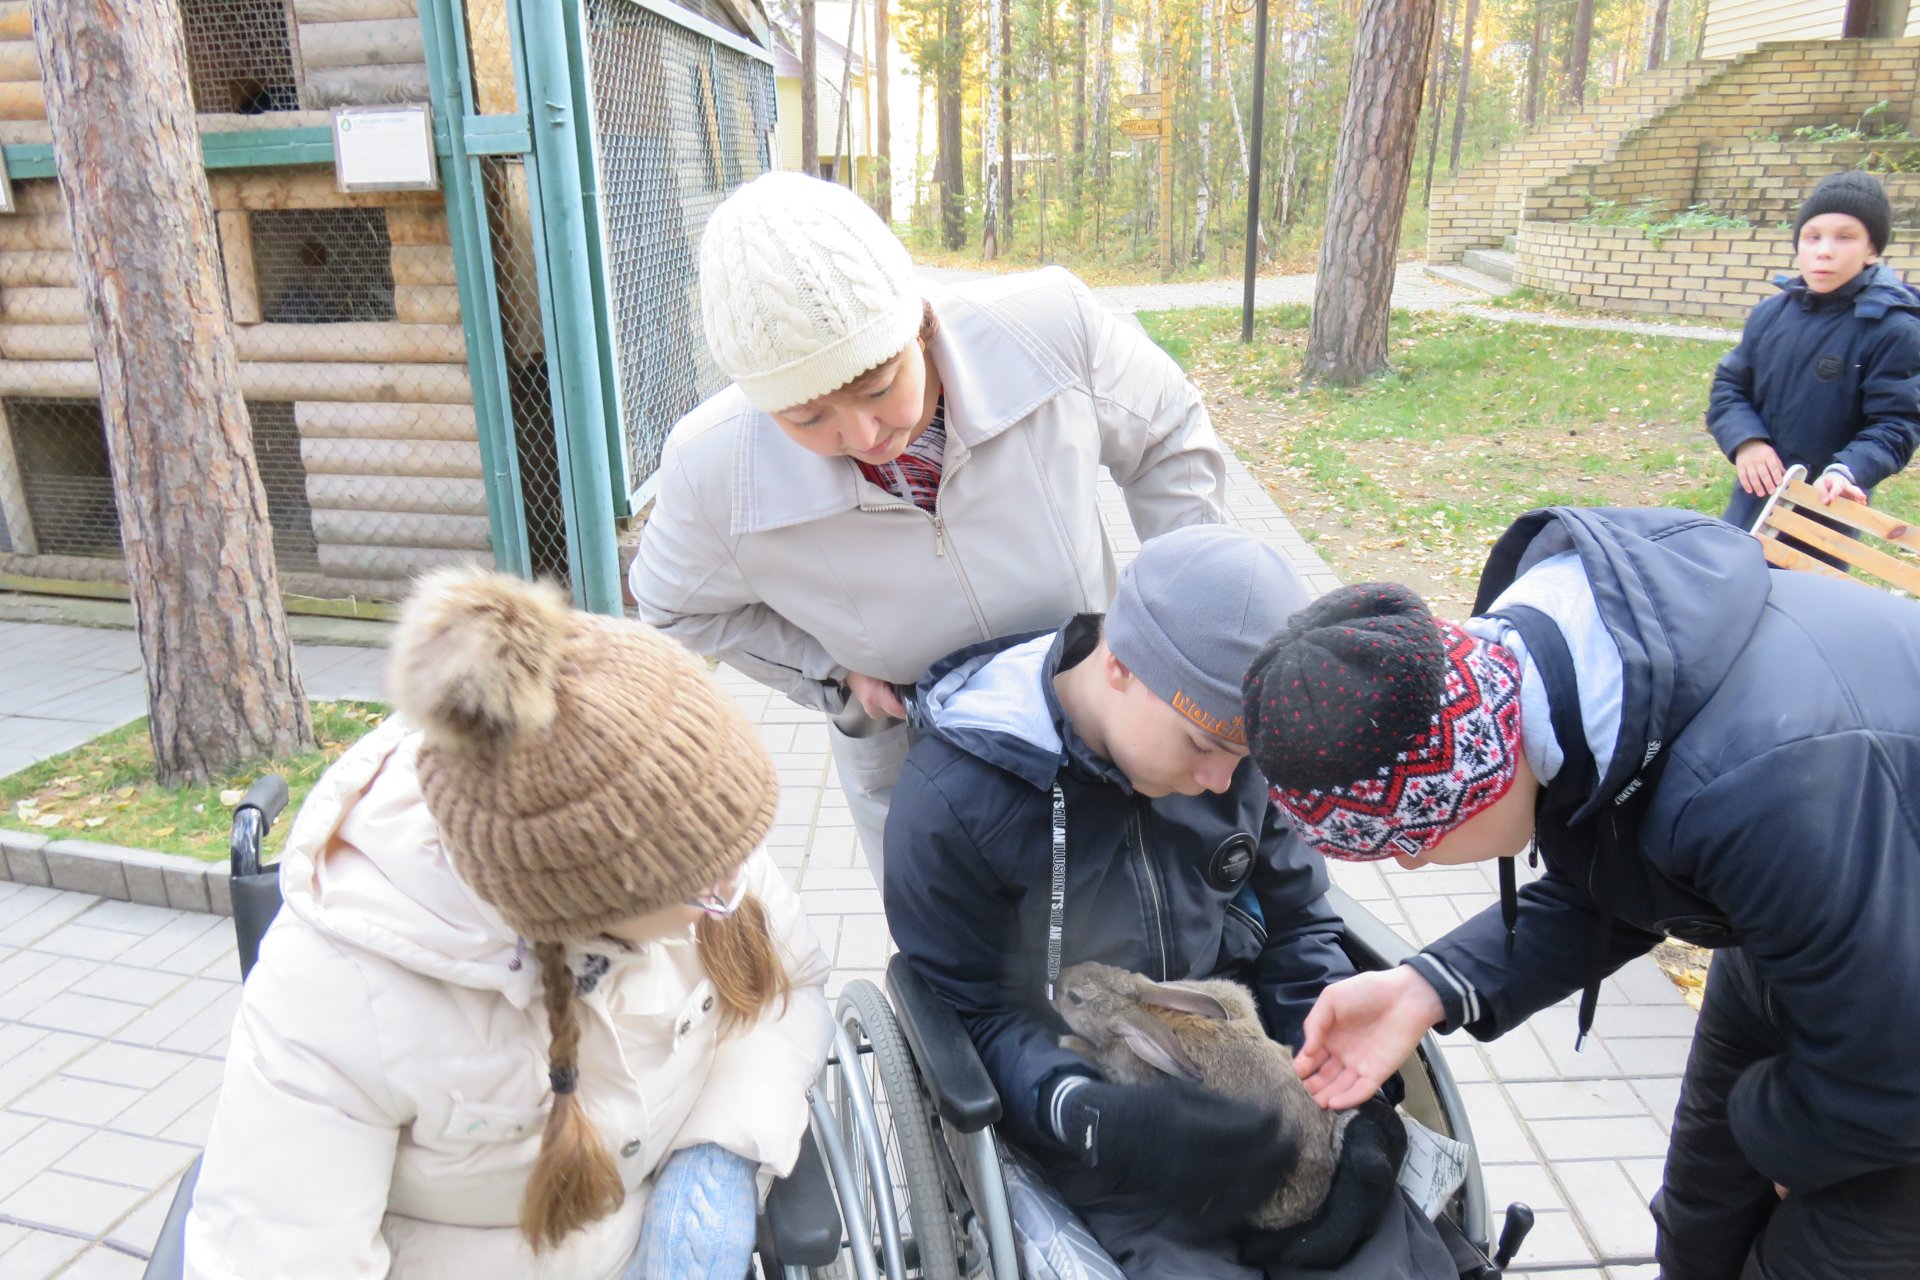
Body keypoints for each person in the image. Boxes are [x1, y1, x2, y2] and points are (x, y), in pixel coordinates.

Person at [1239, 506, 1920, 1280]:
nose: (1415, 871)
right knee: (1701, 1214)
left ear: (1466, 782)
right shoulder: (1548, 692)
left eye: (1410, 844)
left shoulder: (1760, 790)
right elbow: (1620, 872)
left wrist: (1780, 1140)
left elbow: (1890, 1074)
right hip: (1821, 937)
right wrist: (1423, 989)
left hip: (1890, 1004)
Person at [185, 569, 832, 1280]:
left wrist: (720, 1153)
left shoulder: (698, 835)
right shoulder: (335, 990)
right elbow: (279, 1251)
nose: (738, 886)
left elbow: (789, 989)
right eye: (710, 887)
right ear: (579, 911)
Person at [884, 525, 1457, 1280]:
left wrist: (1353, 1105)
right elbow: (971, 1013)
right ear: (1118, 666)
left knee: (1394, 1258)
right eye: (1200, 745)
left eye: (1244, 757)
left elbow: (1297, 921)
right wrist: (1089, 1113)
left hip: (1259, 1086)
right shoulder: (955, 800)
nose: (1223, 782)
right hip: (1098, 1120)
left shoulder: (1236, 762)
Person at [630, 171, 1232, 887]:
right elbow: (672, 603)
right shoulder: (712, 469)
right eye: (806, 417)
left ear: (920, 324)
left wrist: (1188, 625)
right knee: (959, 951)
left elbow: (1167, 432)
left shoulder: (1044, 329)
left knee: (1140, 903)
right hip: (920, 757)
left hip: (1093, 707)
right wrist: (832, 671)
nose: (861, 432)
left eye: (878, 385)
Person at [1707, 169, 1920, 558]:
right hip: (1756, 493)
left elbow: (1896, 423)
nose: (1824, 250)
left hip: (1826, 507)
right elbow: (1730, 386)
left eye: (1845, 237)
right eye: (1812, 236)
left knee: (1802, 605)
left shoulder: (1893, 328)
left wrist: (1847, 471)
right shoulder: (1770, 314)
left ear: (1872, 250)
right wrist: (1747, 441)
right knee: (1732, 584)